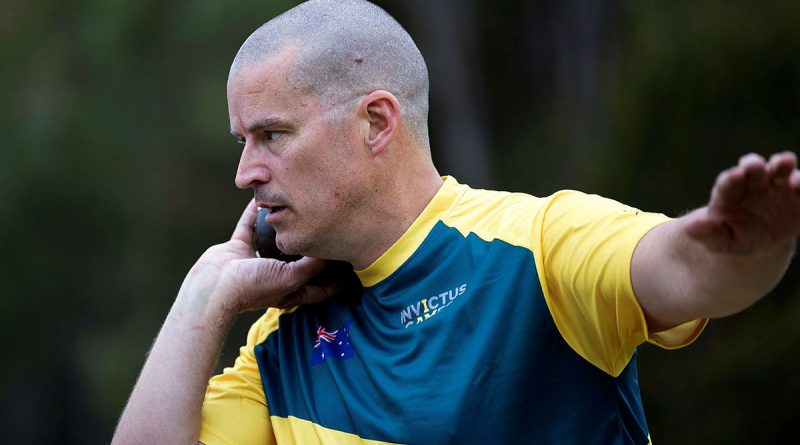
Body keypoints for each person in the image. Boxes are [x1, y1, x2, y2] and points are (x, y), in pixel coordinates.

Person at [112, 1, 800, 444]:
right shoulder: (279, 340)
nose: (245, 173)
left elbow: (688, 269)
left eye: (271, 135)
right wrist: (204, 296)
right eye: (242, 142)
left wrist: (748, 243)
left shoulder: (533, 246)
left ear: (376, 123)